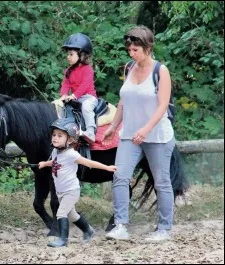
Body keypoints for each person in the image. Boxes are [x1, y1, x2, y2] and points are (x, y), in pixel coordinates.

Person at [102, 25, 176, 242]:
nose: (132, 53)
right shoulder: (128, 68)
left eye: (136, 49)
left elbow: (162, 105)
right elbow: (124, 100)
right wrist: (113, 126)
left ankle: (163, 229)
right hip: (130, 135)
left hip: (157, 136)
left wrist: (146, 129)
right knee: (120, 176)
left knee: (161, 181)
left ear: (148, 47)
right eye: (130, 49)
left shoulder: (160, 71)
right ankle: (121, 225)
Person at [39, 118, 117, 247]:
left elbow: (89, 163)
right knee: (72, 215)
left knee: (61, 213)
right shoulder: (55, 151)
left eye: (60, 135)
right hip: (61, 191)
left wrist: (107, 167)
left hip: (71, 190)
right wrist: (45, 163)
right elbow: (56, 162)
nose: (55, 138)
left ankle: (63, 240)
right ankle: (88, 231)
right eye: (54, 135)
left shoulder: (71, 154)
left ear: (70, 139)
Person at [59, 32, 98, 144]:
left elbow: (84, 85)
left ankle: (90, 131)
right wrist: (64, 96)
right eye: (67, 54)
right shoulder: (68, 71)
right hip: (76, 98)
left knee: (86, 107)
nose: (68, 57)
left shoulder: (88, 69)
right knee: (60, 107)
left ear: (81, 55)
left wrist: (74, 95)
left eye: (71, 54)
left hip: (88, 97)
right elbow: (66, 84)